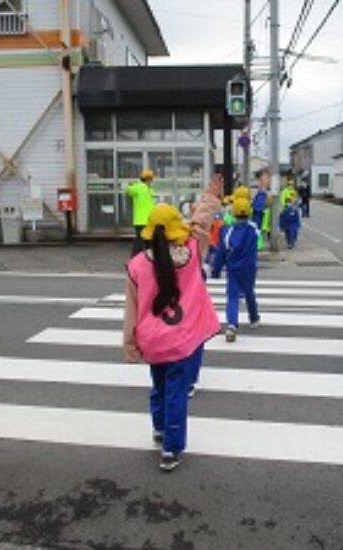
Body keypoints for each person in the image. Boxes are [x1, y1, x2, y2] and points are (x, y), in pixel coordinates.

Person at [123, 175, 223, 471]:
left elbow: (131, 310)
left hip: (152, 341)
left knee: (159, 386)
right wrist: (210, 196)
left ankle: (159, 428)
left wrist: (130, 344)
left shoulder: (137, 265)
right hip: (182, 339)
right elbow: (201, 223)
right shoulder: (192, 252)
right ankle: (171, 448)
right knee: (177, 391)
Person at [212, 197, 260, 343]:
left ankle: (231, 325)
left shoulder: (227, 231)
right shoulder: (253, 229)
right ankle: (253, 317)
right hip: (249, 267)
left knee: (232, 296)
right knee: (249, 292)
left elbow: (221, 252)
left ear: (233, 212)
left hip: (233, 268)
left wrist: (216, 270)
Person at [126, 168, 156, 257]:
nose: (152, 181)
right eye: (151, 179)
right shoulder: (139, 187)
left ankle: (146, 259)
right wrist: (131, 184)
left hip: (149, 220)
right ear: (147, 179)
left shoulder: (150, 190)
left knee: (148, 241)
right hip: (141, 220)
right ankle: (135, 259)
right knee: (140, 241)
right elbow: (128, 190)